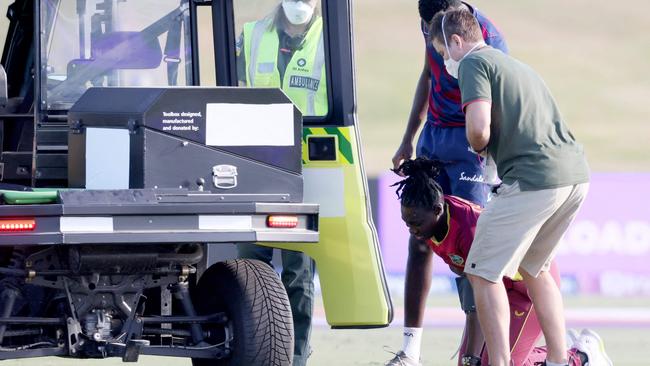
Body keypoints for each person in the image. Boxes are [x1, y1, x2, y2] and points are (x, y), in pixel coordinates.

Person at [428, 9, 597, 366]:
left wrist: (479, 148)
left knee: (481, 271)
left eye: (444, 52)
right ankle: (557, 360)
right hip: (574, 176)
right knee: (535, 267)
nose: (445, 62)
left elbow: (477, 130)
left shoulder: (474, 64)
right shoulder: (515, 65)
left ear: (458, 42)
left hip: (536, 179)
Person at [385, 158, 610, 366]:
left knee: (490, 362)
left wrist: (471, 355)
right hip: (499, 290)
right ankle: (560, 349)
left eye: (415, 223)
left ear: (437, 210)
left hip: (528, 291)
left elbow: (482, 296)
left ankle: (581, 357)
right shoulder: (431, 222)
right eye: (406, 224)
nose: (412, 230)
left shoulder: (469, 230)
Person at [390, 2, 507, 364]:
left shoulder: (488, 37)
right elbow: (427, 76)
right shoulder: (432, 26)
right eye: (423, 27)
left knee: (471, 246)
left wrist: (493, 157)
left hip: (471, 145)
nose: (427, 34)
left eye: (431, 27)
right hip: (433, 139)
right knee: (419, 236)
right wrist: (409, 137)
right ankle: (411, 349)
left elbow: (500, 100)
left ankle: (472, 354)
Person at [235, 1, 325, 365]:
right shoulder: (253, 35)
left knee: (298, 275)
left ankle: (297, 358)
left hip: (306, 170)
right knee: (247, 269)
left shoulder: (327, 40)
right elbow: (235, 93)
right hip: (254, 165)